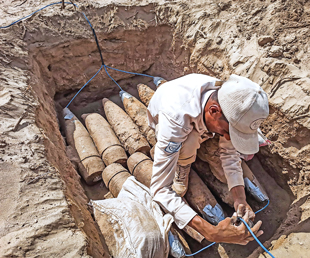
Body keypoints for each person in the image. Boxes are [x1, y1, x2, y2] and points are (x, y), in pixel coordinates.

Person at [147, 73, 268, 245]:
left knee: (225, 144)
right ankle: (184, 164)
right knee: (188, 143)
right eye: (228, 132)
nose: (228, 136)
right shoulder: (175, 121)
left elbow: (230, 153)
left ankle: (208, 146)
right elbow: (159, 189)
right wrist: (211, 232)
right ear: (213, 110)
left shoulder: (232, 102)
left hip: (204, 120)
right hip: (168, 119)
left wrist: (239, 198)